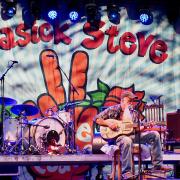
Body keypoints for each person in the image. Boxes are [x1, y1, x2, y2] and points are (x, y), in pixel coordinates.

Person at [94, 91, 171, 178]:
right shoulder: (113, 109)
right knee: (127, 140)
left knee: (155, 134)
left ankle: (158, 165)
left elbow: (136, 129)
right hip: (117, 138)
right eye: (129, 101)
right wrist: (109, 124)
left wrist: (145, 127)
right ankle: (127, 172)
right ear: (122, 101)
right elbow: (96, 119)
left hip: (131, 135)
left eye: (132, 101)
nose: (131, 103)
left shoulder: (134, 113)